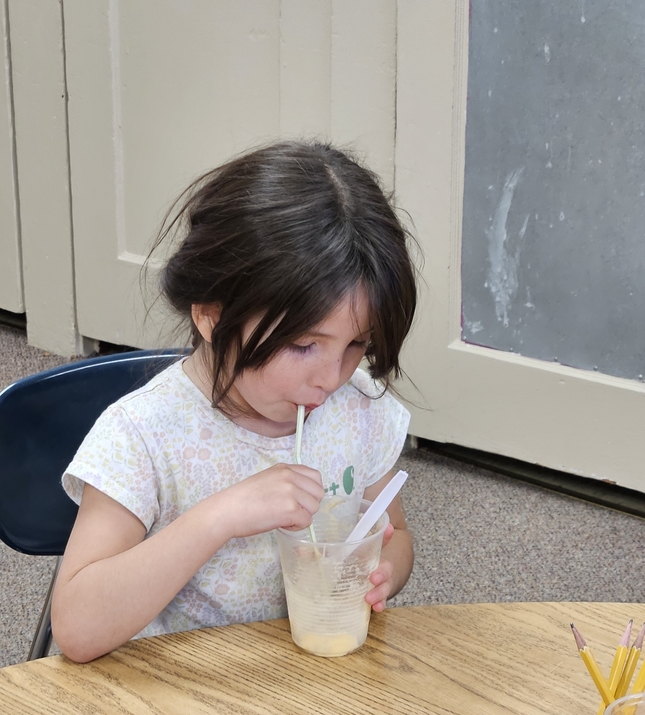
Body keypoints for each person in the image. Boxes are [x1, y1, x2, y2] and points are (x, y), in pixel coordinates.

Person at [52, 140, 418, 662]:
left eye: (356, 344)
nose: (331, 378)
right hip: (182, 694)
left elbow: (394, 534)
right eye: (303, 345)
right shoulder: (143, 435)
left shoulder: (356, 409)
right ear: (212, 316)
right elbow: (77, 627)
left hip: (312, 682)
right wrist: (219, 516)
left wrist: (384, 571)